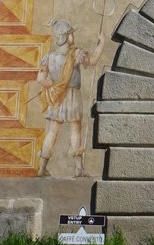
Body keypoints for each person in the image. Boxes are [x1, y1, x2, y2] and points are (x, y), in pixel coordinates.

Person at [36, 19, 105, 178]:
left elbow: (40, 78)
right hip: (72, 96)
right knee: (75, 129)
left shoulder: (49, 56)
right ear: (67, 37)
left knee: (52, 131)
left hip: (56, 96)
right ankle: (78, 168)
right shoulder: (75, 53)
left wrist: (53, 85)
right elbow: (93, 61)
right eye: (71, 33)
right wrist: (101, 44)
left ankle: (41, 168)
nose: (73, 36)